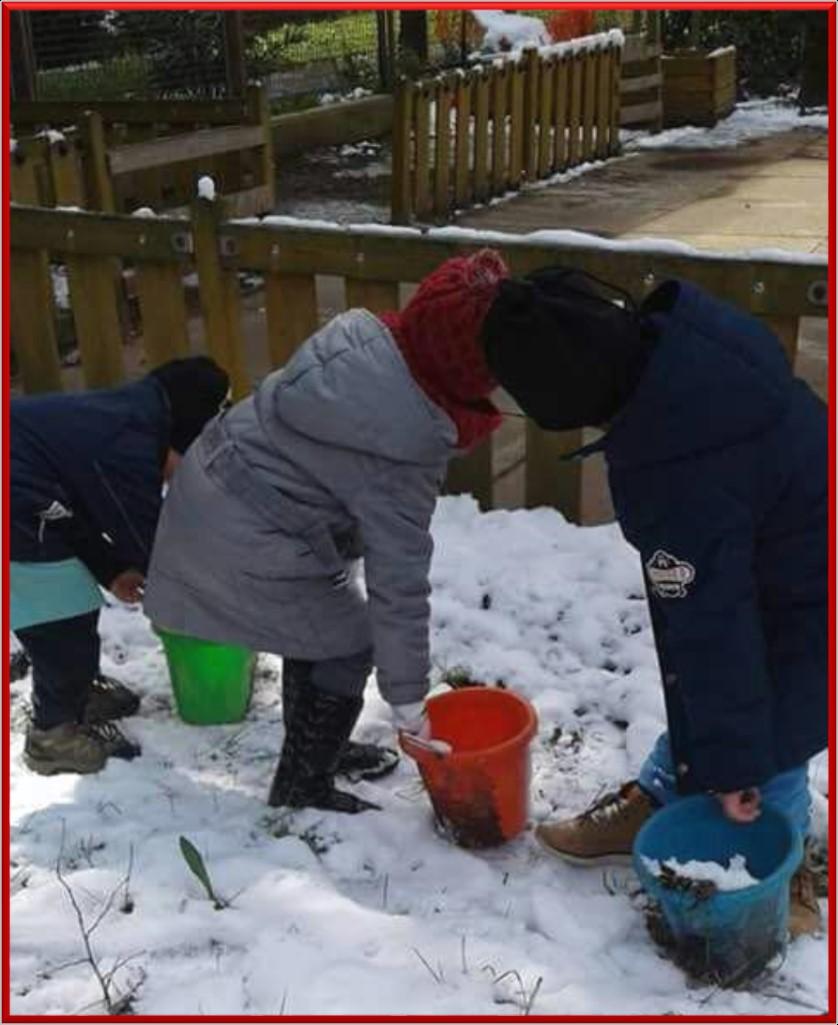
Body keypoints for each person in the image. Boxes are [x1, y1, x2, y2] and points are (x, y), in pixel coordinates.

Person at [481, 268, 826, 936]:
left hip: (808, 602)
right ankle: (668, 791)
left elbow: (715, 631)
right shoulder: (686, 363)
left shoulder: (680, 469)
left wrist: (734, 768)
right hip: (796, 558)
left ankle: (774, 878)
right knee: (724, 696)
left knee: (771, 734)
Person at [143, 250, 510, 814]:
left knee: (316, 626)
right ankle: (302, 784)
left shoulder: (362, 357)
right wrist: (409, 703)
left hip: (214, 491)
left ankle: (319, 747)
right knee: (350, 641)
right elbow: (400, 585)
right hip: (239, 534)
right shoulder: (404, 444)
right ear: (473, 372)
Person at [11, 357, 231, 776]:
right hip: (16, 510)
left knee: (68, 599)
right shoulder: (127, 447)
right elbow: (152, 539)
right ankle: (53, 735)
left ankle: (75, 693)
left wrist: (112, 570)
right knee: (60, 613)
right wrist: (207, 598)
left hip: (29, 496)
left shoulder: (125, 418)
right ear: (182, 434)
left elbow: (79, 516)